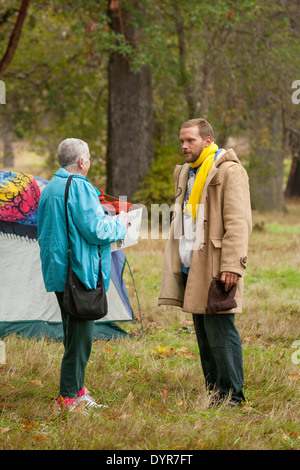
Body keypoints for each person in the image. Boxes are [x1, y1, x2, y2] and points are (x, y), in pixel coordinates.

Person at [158, 118, 252, 406]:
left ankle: (234, 397)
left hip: (217, 266)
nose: (184, 146)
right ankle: (215, 393)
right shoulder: (187, 173)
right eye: (181, 141)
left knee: (221, 332)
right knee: (203, 334)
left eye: (190, 140)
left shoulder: (229, 171)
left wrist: (232, 266)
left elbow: (239, 222)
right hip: (192, 264)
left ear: (207, 141)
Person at [37, 138, 127, 412]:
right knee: (81, 339)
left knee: (72, 334)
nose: (89, 161)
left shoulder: (50, 187)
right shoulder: (78, 187)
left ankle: (77, 390)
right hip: (79, 273)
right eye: (88, 157)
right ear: (82, 161)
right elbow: (96, 230)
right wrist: (121, 226)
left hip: (58, 272)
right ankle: (69, 398)